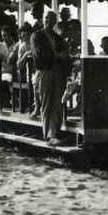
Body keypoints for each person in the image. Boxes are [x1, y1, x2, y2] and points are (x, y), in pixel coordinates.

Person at [31, 10, 68, 145]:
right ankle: (47, 134)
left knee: (58, 102)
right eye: (47, 18)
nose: (49, 20)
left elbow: (66, 54)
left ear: (55, 22)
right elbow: (38, 54)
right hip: (45, 71)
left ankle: (54, 133)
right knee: (46, 102)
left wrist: (60, 57)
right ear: (43, 19)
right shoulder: (37, 36)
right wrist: (57, 56)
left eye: (52, 18)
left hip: (58, 72)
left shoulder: (58, 38)